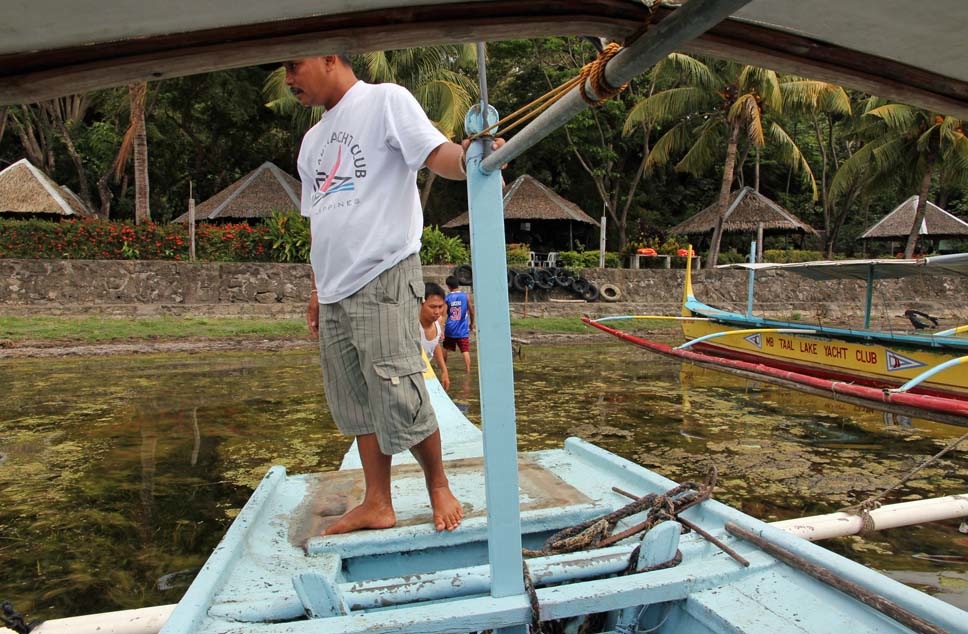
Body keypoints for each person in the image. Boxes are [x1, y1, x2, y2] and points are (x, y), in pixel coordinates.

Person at [287, 54, 502, 535]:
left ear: (329, 57)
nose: (288, 79)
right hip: (335, 289)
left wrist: (471, 158)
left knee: (398, 387)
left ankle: (438, 486)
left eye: (293, 65)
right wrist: (318, 288)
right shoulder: (311, 142)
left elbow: (437, 154)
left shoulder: (385, 100)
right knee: (357, 398)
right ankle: (377, 502)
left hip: (384, 272)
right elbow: (321, 219)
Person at [420, 282, 450, 391]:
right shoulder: (413, 327)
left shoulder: (438, 322)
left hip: (427, 373)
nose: (437, 312)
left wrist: (444, 371)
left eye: (440, 307)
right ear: (421, 304)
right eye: (432, 307)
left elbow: (435, 344)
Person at [443, 275, 475, 374]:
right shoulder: (465, 296)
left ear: (448, 286)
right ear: (458, 284)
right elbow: (471, 311)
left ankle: (444, 368)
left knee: (445, 348)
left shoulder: (447, 298)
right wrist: (471, 324)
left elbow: (443, 313)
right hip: (462, 329)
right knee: (465, 350)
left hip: (450, 328)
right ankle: (468, 371)